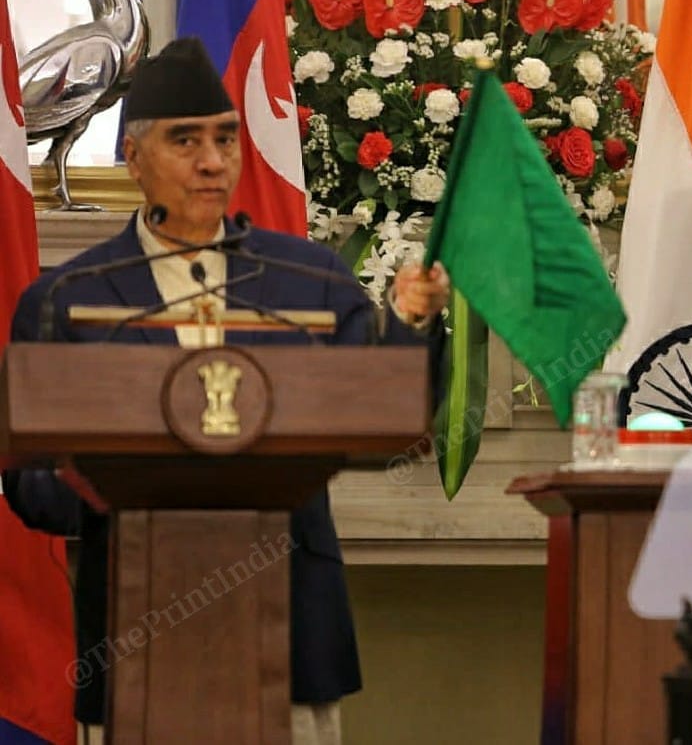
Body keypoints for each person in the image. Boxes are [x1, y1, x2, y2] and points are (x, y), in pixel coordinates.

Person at [2, 37, 448, 745]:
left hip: (291, 633)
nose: (213, 161)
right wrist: (110, 478)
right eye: (186, 141)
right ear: (134, 159)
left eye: (225, 139)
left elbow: (393, 412)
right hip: (134, 635)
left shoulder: (311, 281)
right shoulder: (68, 297)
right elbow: (29, 482)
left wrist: (418, 322)